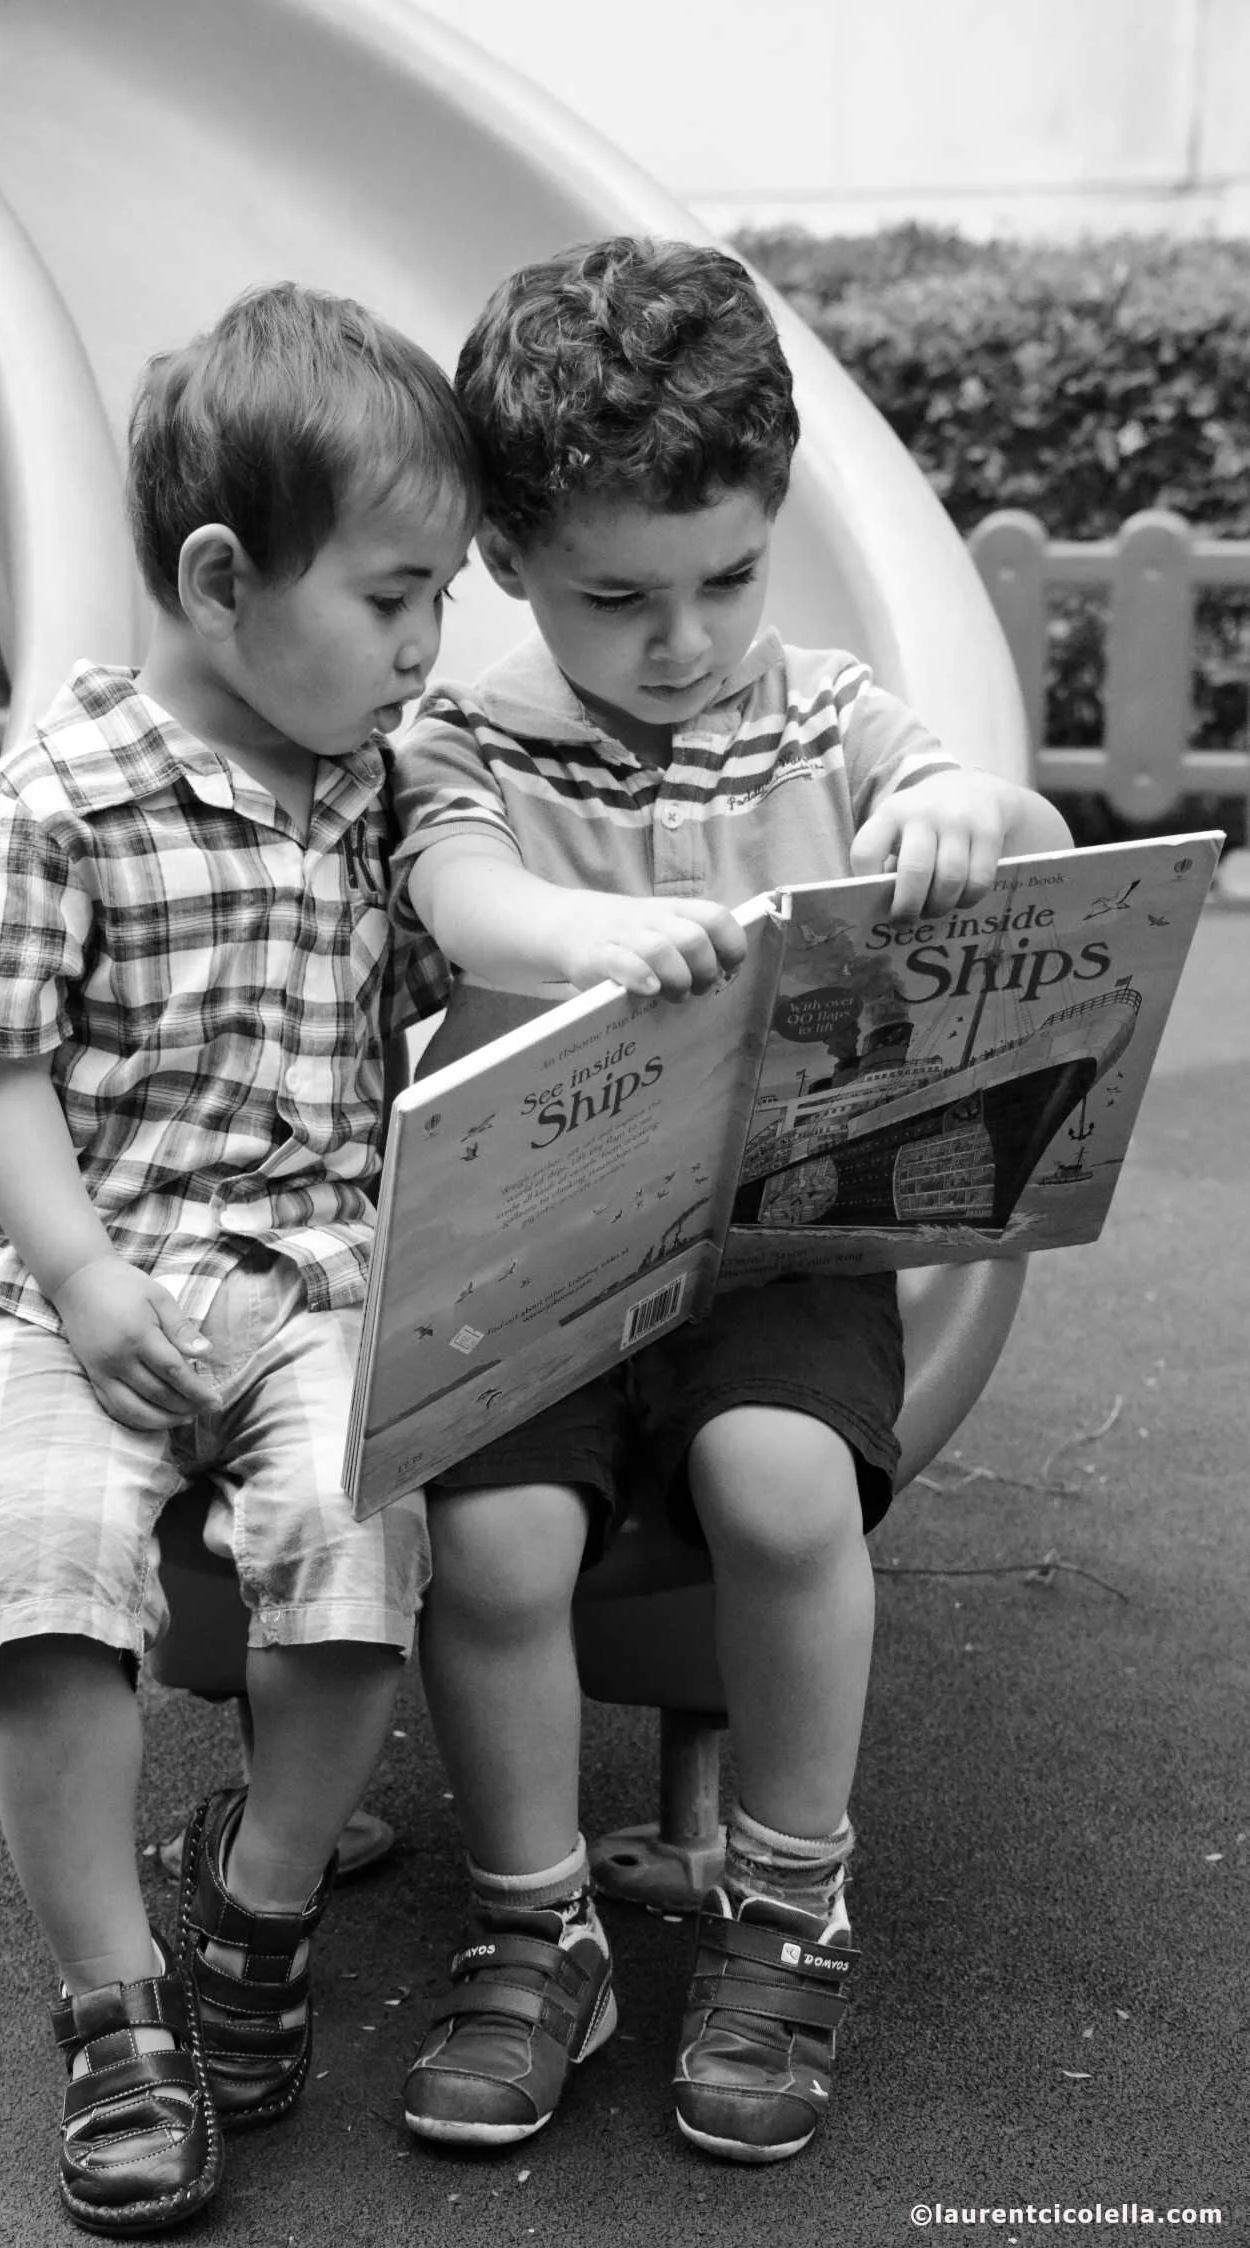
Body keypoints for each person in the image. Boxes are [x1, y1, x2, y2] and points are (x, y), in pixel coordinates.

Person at [390, 236, 1071, 2166]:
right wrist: (603, 932)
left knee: (779, 1487)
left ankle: (788, 1906)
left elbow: (1000, 834)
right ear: (509, 566)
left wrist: (978, 822)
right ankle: (539, 1930)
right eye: (617, 597)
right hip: (536, 1242)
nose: (684, 641)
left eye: (728, 578)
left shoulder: (831, 714)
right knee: (501, 1544)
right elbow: (463, 900)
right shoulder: (471, 743)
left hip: (773, 1227)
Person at [0, 281, 477, 2234]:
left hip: (315, 1270)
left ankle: (255, 1901)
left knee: (361, 1527)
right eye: (398, 597)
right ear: (226, 575)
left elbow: (447, 977)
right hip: (84, 1279)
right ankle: (112, 1994)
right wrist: (75, 1276)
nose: (426, 646)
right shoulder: (56, 793)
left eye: (443, 605)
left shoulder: (371, 787)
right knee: (51, 1576)